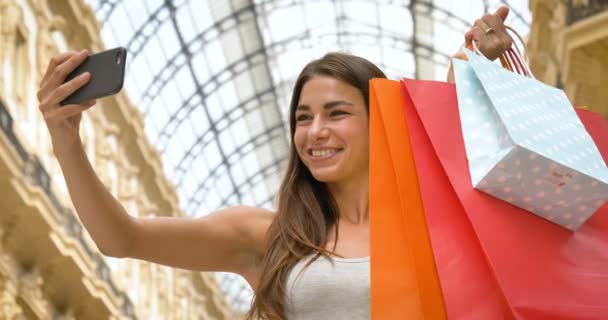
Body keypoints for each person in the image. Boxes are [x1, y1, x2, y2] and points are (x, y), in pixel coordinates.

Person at [36, 6, 513, 320]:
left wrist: (476, 62)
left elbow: (445, 147)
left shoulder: (430, 229)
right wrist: (65, 137)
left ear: (381, 124)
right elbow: (122, 237)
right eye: (303, 118)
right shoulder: (269, 237)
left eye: (337, 113)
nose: (314, 131)